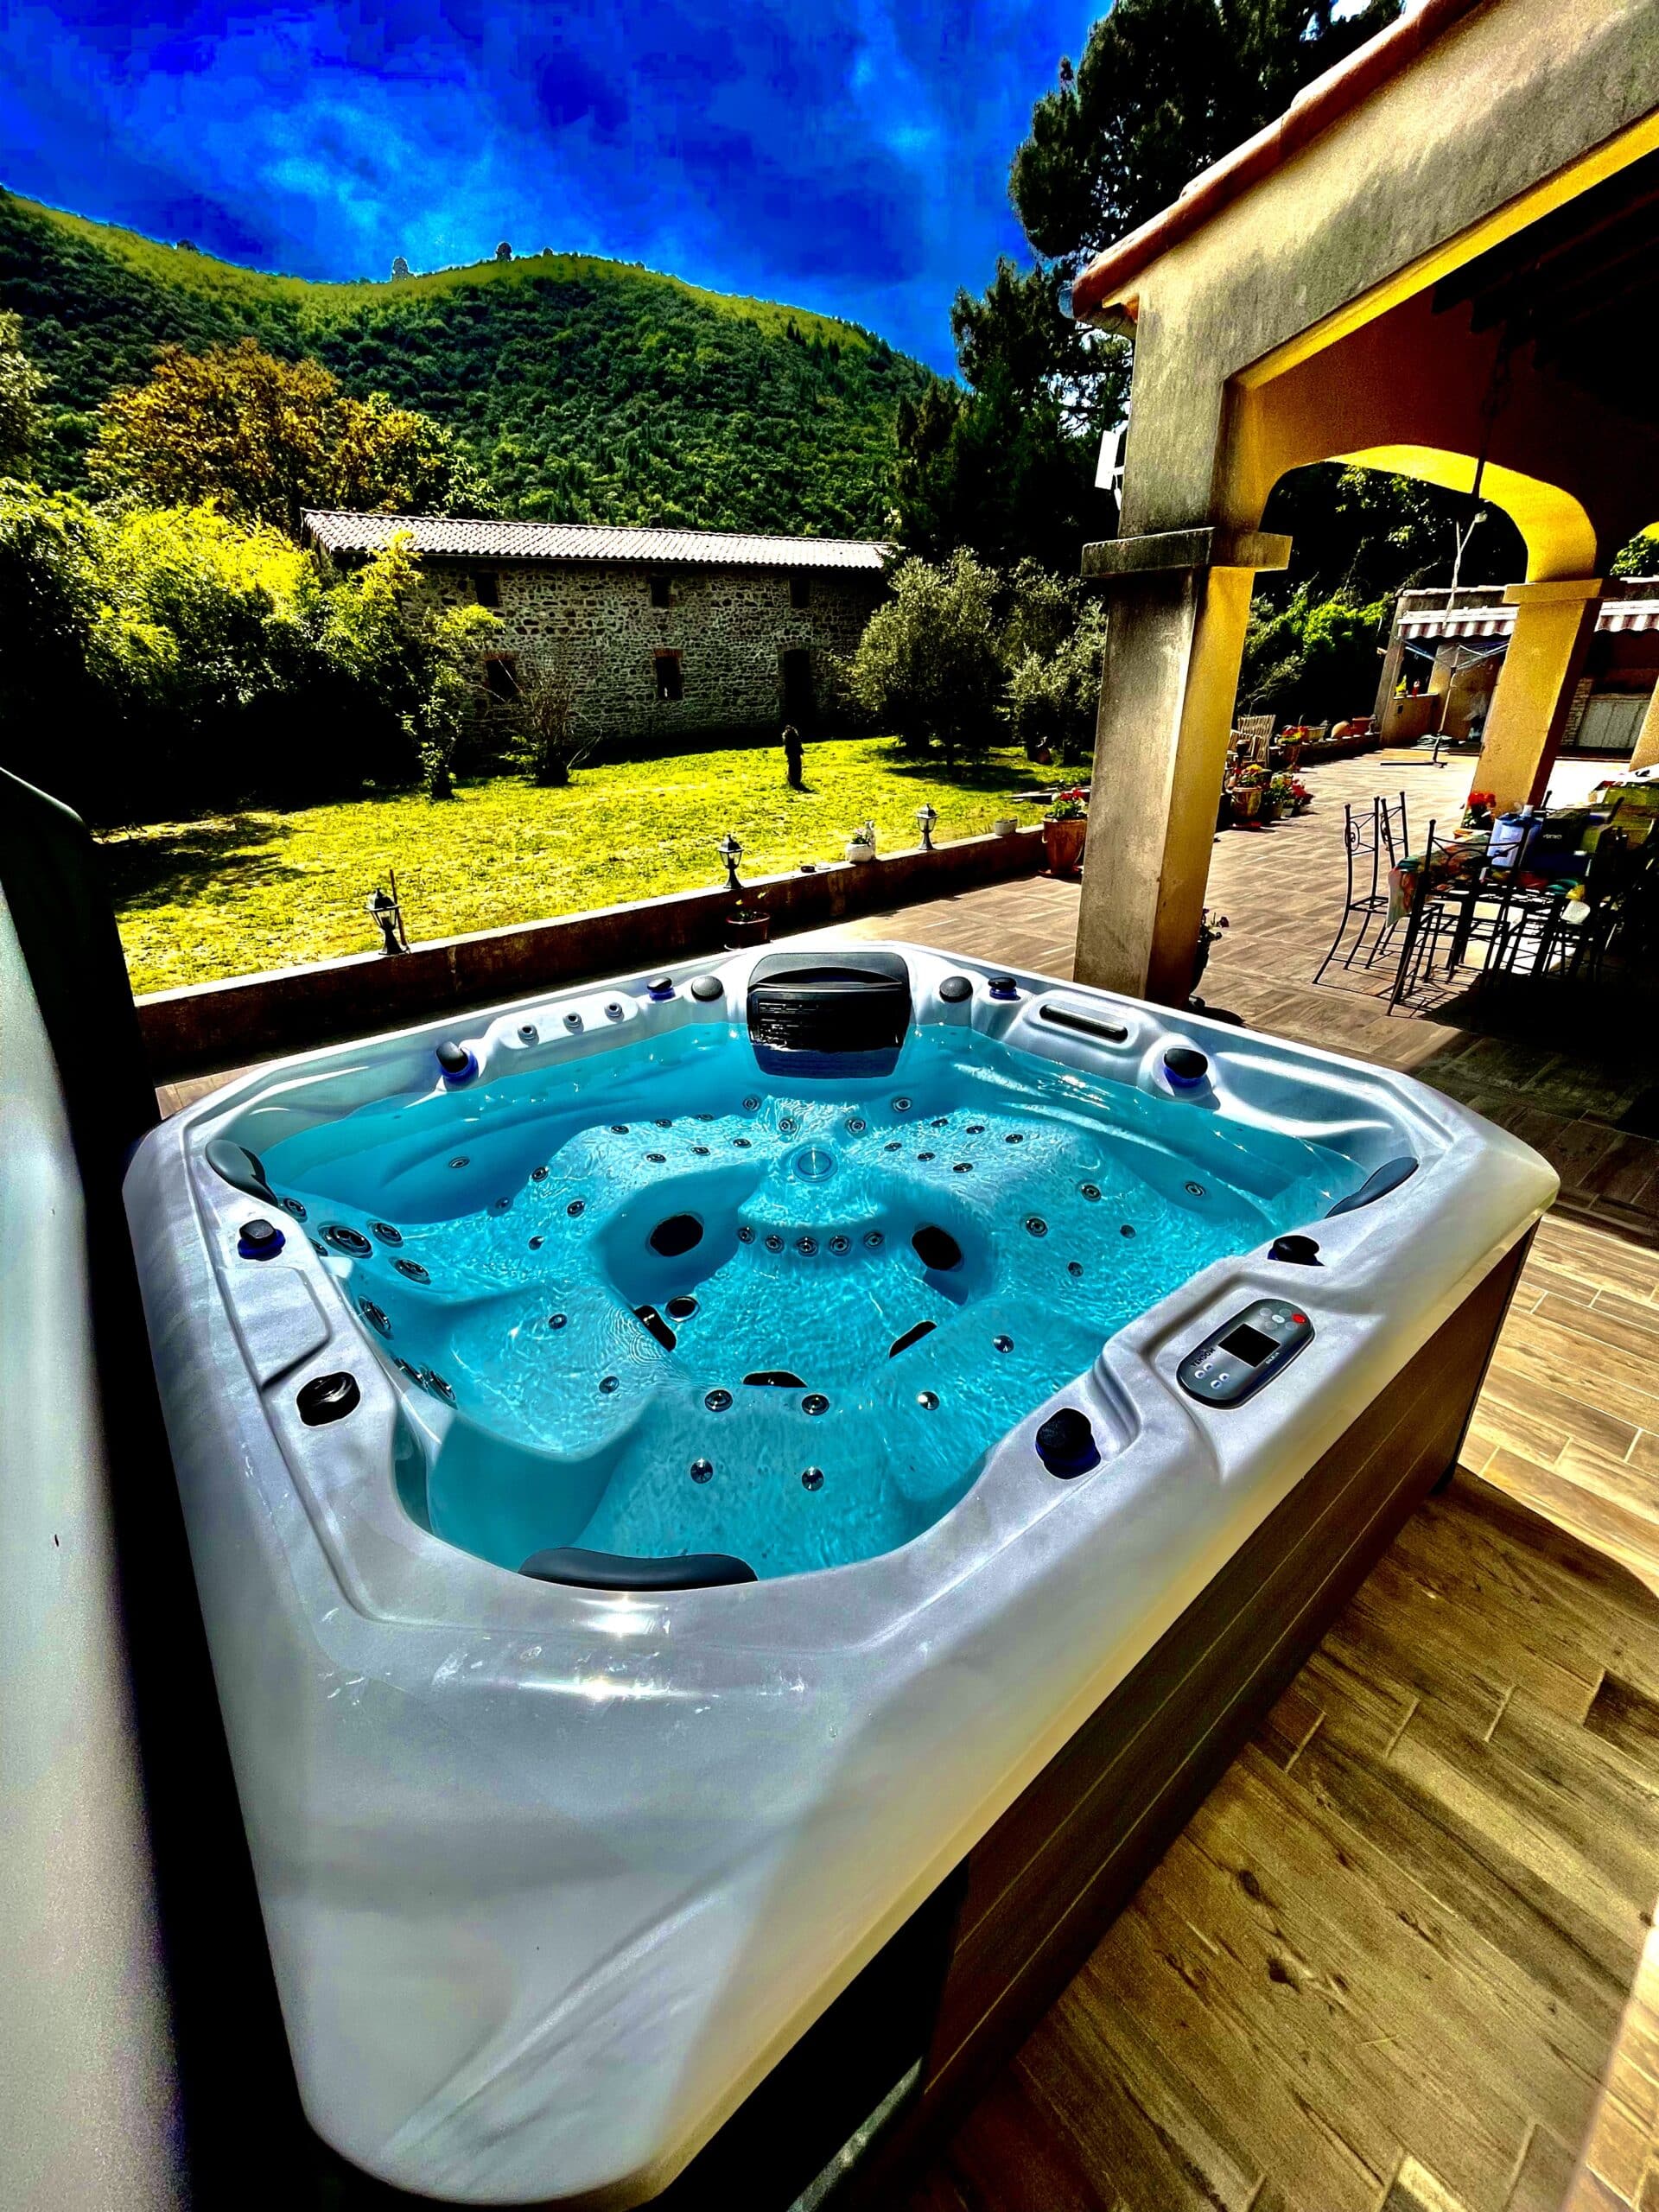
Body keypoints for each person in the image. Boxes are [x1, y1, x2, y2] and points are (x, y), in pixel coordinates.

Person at [782, 722, 804, 790]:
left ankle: (792, 780)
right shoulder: (796, 739)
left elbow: (787, 749)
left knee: (793, 766)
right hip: (796, 755)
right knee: (796, 766)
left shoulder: (787, 739)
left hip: (792, 755)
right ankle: (795, 780)